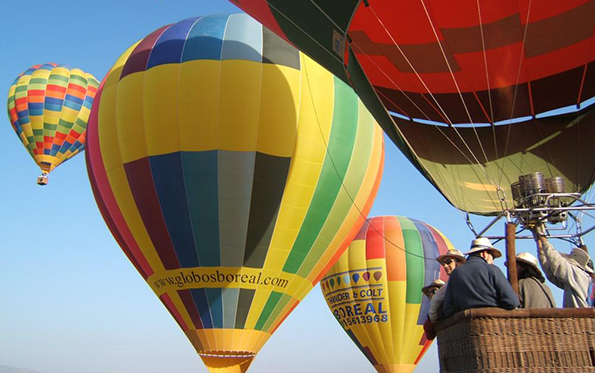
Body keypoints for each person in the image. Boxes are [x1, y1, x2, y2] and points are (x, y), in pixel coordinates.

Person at [443, 237, 519, 317]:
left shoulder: (456, 273)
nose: (493, 260)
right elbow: (512, 302)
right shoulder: (492, 270)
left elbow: (448, 309)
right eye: (492, 256)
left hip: (465, 324)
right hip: (494, 323)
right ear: (484, 254)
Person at [530, 224, 595, 308]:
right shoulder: (579, 281)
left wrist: (543, 238)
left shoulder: (578, 275)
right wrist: (539, 242)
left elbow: (557, 262)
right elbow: (551, 272)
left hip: (580, 319)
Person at [428, 249, 466, 322]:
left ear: (460, 263)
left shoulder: (452, 281)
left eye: (448, 262)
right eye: (443, 263)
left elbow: (436, 300)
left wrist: (433, 319)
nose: (445, 266)